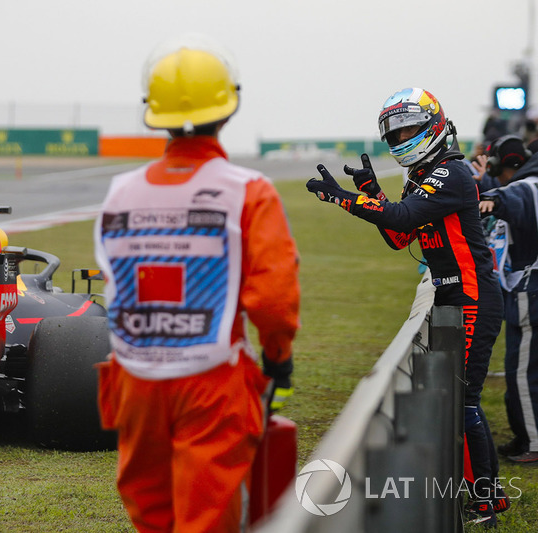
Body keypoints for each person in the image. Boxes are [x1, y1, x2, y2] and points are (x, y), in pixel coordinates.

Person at [93, 35, 300, 532]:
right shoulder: (248, 191)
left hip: (135, 377)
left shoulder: (120, 192)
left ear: (153, 112)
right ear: (228, 109)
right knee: (206, 514)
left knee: (151, 511)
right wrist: (278, 356)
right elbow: (272, 298)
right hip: (212, 377)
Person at [305, 87, 506, 528]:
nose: (403, 139)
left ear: (433, 124)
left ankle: (488, 501)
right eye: (396, 133)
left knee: (466, 403)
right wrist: (372, 191)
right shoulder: (423, 176)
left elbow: (398, 218)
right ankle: (489, 495)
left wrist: (345, 199)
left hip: (473, 297)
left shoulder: (450, 174)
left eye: (411, 129)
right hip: (453, 296)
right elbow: (400, 236)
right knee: (461, 402)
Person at [479, 134, 538, 464]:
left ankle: (532, 442)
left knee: (523, 373)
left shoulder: (524, 187)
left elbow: (503, 199)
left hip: (530, 289)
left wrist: (484, 197)